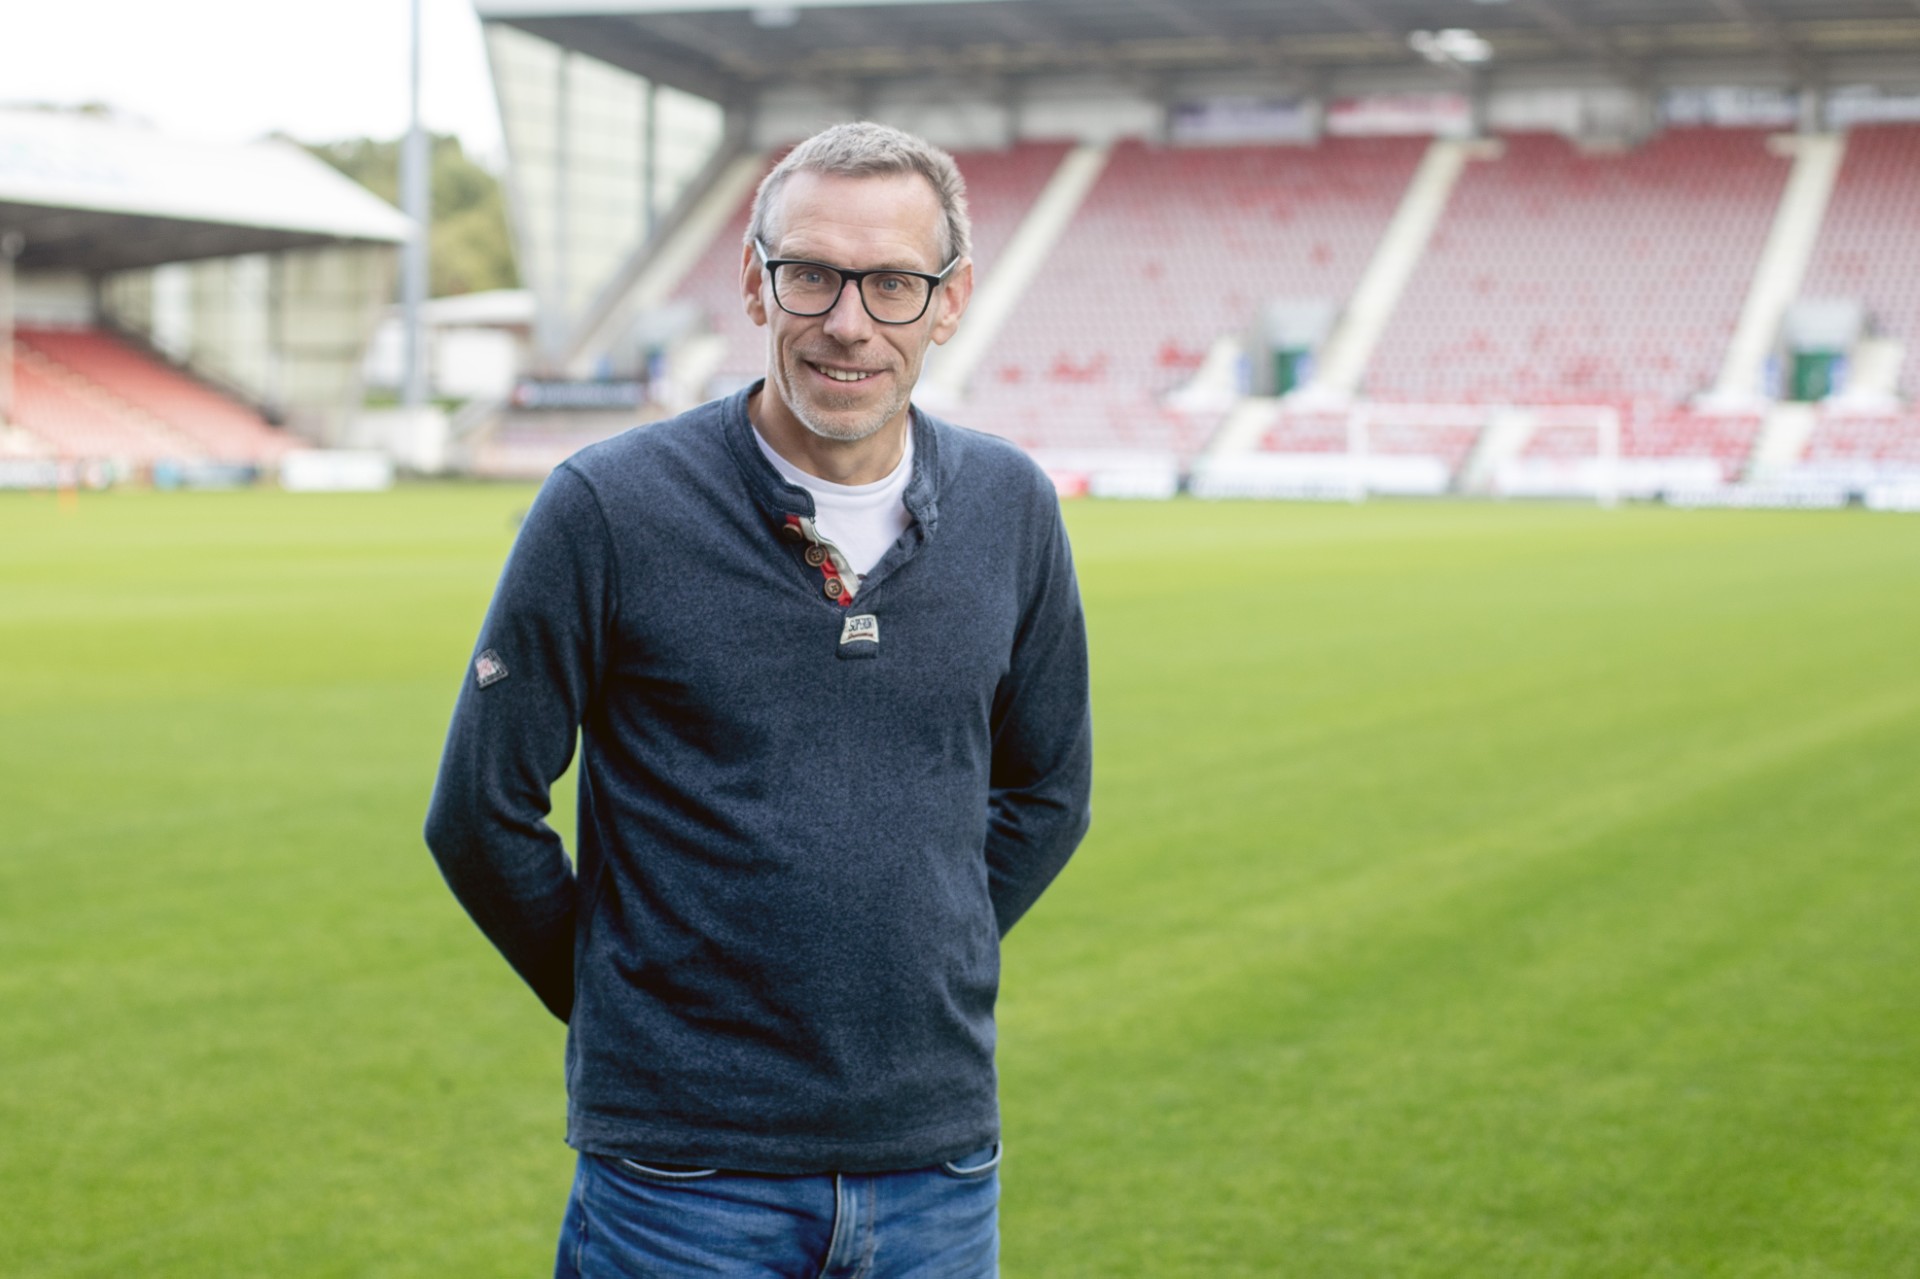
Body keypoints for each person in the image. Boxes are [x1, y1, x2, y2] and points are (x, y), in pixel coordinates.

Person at [424, 121, 1093, 1278]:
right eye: (812, 275)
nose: (849, 320)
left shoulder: (1013, 505)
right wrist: (624, 1001)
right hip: (681, 1184)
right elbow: (480, 810)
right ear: (754, 281)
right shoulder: (608, 506)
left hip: (935, 1168)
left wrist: (920, 954)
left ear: (950, 300)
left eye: (893, 283)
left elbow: (1049, 790)